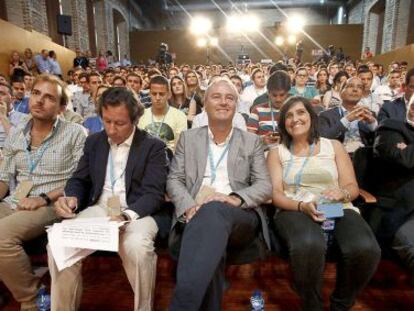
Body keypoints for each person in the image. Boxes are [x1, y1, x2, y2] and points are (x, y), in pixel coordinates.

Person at [48, 87, 168, 311]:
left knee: (137, 247)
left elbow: (154, 193)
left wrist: (125, 216)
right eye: (106, 121)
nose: (111, 130)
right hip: (101, 208)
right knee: (59, 241)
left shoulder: (153, 146)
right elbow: (79, 179)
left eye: (119, 123)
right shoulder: (94, 142)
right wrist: (71, 197)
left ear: (134, 119)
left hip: (138, 211)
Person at [167, 77, 272, 310]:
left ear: (236, 106)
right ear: (205, 105)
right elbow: (174, 178)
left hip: (239, 215)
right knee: (210, 242)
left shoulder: (251, 141)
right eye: (216, 96)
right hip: (194, 214)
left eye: (230, 98)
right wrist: (188, 205)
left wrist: (234, 198)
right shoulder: (188, 138)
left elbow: (265, 186)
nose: (224, 102)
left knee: (213, 211)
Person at [267, 96, 380, 311]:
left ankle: (342, 302)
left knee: (365, 248)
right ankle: (312, 305)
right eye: (288, 116)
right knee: (308, 244)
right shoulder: (277, 152)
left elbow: (351, 186)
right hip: (296, 208)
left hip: (334, 206)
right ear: (283, 124)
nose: (295, 119)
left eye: (301, 112)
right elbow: (277, 195)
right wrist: (301, 206)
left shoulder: (333, 146)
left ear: (311, 116)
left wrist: (342, 193)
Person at [0, 74, 86, 311]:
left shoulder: (75, 133)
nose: (39, 101)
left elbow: (80, 178)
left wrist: (43, 198)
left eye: (49, 98)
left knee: (1, 237)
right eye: (36, 93)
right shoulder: (16, 133)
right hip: (15, 199)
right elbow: (4, 177)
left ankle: (32, 299)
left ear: (61, 107)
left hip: (51, 203)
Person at [373, 95, 414, 277]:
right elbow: (403, 159)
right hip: (404, 214)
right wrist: (404, 152)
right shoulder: (390, 127)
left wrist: (407, 148)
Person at [319, 77, 377, 154]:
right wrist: (346, 120)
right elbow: (322, 140)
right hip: (338, 155)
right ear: (340, 92)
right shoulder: (326, 115)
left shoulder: (369, 114)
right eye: (350, 86)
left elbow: (378, 142)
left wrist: (372, 125)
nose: (355, 90)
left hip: (364, 156)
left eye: (359, 87)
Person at [138, 75, 187, 151]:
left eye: (161, 94)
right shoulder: (141, 115)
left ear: (168, 94)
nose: (157, 98)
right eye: (154, 94)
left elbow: (180, 150)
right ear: (149, 94)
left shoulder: (179, 116)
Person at [247, 71, 291, 149]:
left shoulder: (293, 111)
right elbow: (249, 140)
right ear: (268, 92)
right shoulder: (257, 110)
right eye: (274, 95)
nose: (278, 99)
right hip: (264, 154)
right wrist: (262, 140)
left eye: (282, 95)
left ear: (288, 93)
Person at [0, 82, 27, 148]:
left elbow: (19, 145)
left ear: (12, 99)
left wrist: (3, 116)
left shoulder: (23, 118)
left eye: (2, 93)